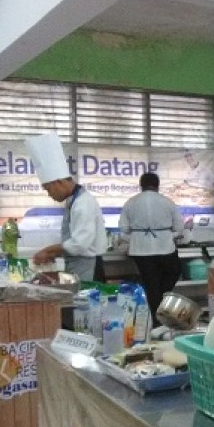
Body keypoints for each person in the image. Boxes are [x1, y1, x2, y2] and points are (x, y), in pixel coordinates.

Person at [25, 133, 107, 282]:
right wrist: (54, 253)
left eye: (48, 189)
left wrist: (49, 250)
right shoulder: (73, 201)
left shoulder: (83, 203)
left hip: (89, 266)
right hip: (79, 264)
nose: (50, 195)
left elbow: (79, 243)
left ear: (59, 183)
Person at [119, 172, 185, 324]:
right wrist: (169, 236)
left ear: (141, 185)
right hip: (165, 248)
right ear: (158, 185)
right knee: (174, 271)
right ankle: (160, 312)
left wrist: (136, 239)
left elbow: (123, 231)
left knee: (151, 283)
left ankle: (155, 319)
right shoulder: (168, 202)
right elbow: (179, 227)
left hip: (140, 251)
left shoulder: (130, 202)